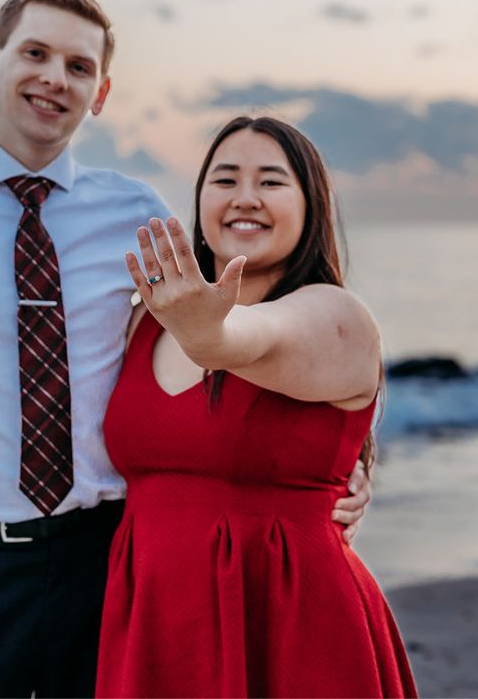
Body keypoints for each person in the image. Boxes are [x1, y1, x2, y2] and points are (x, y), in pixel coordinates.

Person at [0, 0, 373, 698]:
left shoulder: (137, 215)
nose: (55, 77)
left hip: (107, 561)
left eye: (78, 66)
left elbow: (234, 345)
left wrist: (342, 470)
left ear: (101, 92)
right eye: (35, 53)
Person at [96, 116, 417, 697]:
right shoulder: (143, 320)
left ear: (310, 204)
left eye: (271, 182)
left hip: (293, 626)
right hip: (153, 623)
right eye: (225, 180)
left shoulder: (337, 316)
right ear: (200, 200)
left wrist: (205, 331)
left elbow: (245, 340)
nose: (246, 198)